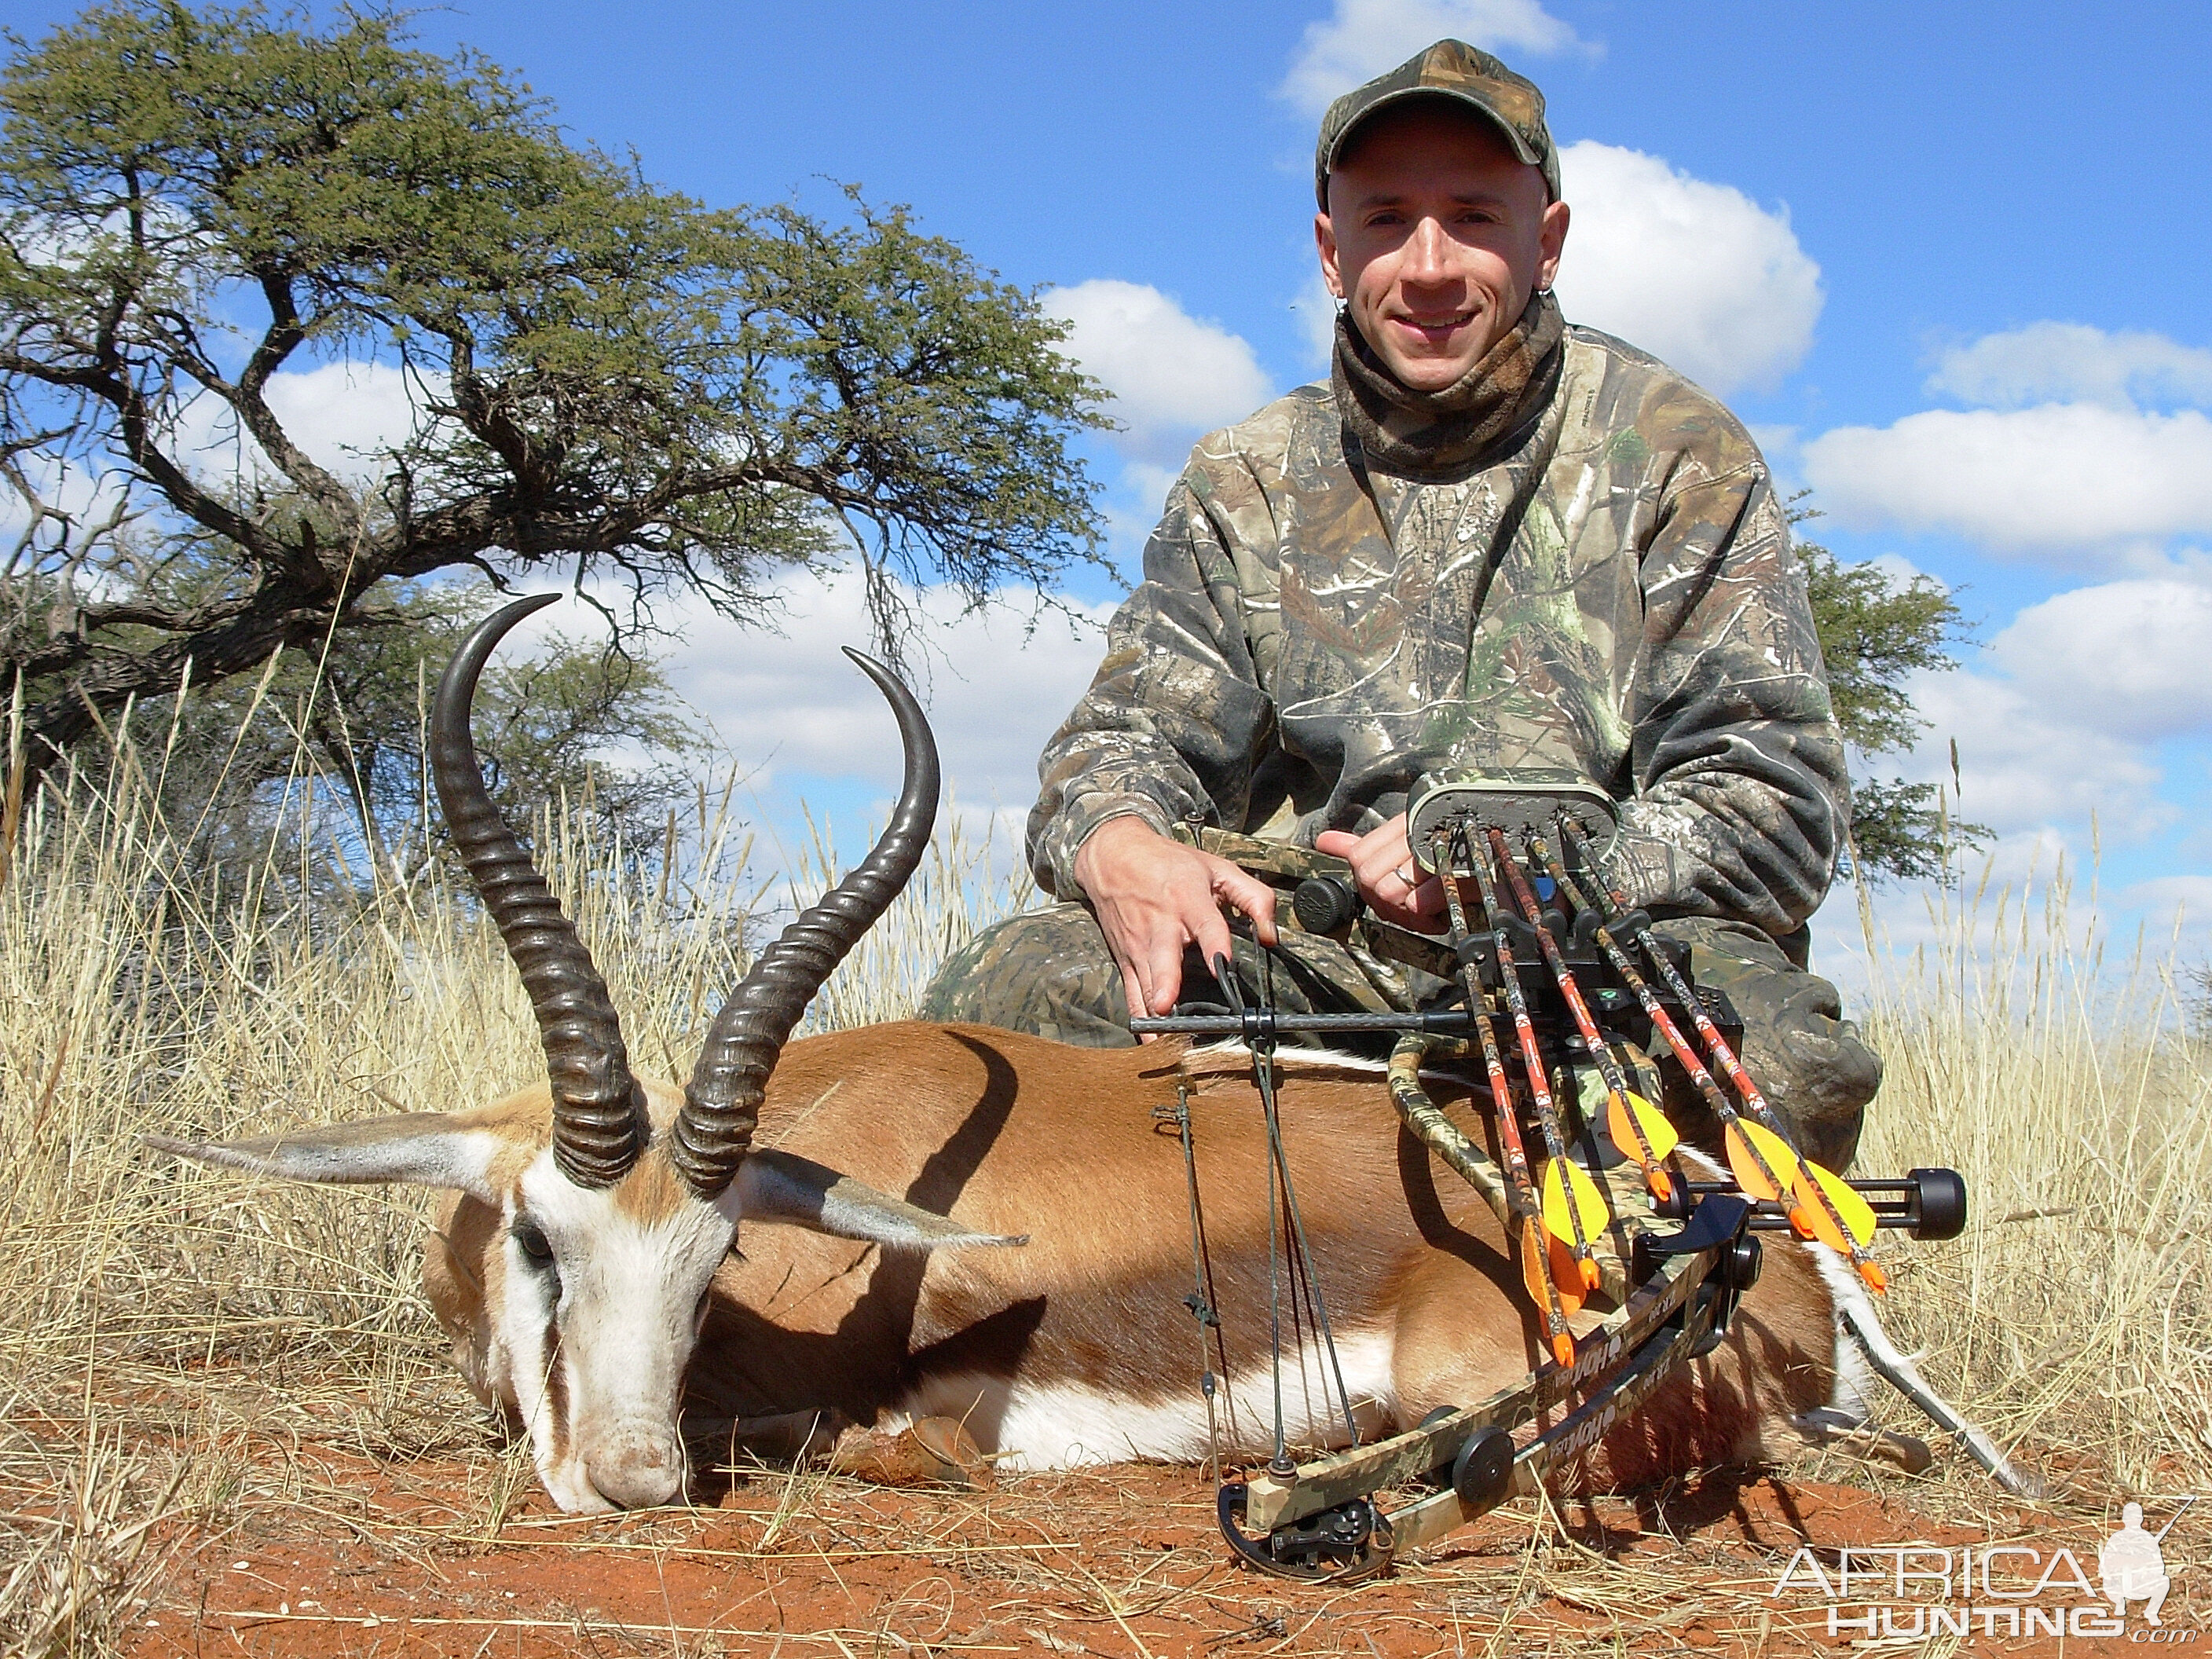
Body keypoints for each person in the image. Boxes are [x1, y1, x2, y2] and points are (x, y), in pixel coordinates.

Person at [922, 39, 1881, 1170]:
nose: (1428, 264)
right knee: (1012, 991)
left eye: (1474, 216)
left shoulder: (1680, 453)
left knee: (1787, 1064)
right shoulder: (1248, 477)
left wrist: (1513, 871)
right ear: (1333, 254)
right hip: (1336, 961)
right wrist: (1122, 842)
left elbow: (1773, 811)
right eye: (1386, 220)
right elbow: (1128, 740)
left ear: (1548, 241)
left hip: (1604, 965)